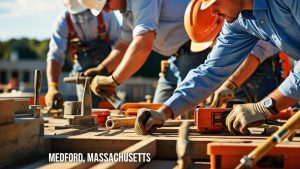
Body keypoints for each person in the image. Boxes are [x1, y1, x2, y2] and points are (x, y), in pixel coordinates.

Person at [134, 0, 300, 135]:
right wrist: (164, 112)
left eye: (215, 2)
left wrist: (265, 106)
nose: (212, 12)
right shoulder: (239, 21)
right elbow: (211, 70)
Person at [78, 0, 209, 104]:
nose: (106, 10)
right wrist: (102, 69)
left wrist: (113, 80)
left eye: (106, 4)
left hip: (198, 51)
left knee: (185, 111)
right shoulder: (128, 11)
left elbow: (143, 45)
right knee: (159, 112)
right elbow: (124, 44)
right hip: (177, 57)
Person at [45, 0, 120, 109]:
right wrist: (52, 86)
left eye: (86, 11)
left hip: (107, 69)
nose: (83, 16)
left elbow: (120, 48)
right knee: (87, 109)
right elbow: (55, 55)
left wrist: (113, 78)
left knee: (110, 109)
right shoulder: (63, 22)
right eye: (78, 13)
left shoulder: (106, 13)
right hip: (82, 73)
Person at [206, 40, 283, 107]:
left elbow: (258, 50)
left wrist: (229, 85)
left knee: (264, 108)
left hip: (261, 71)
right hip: (236, 69)